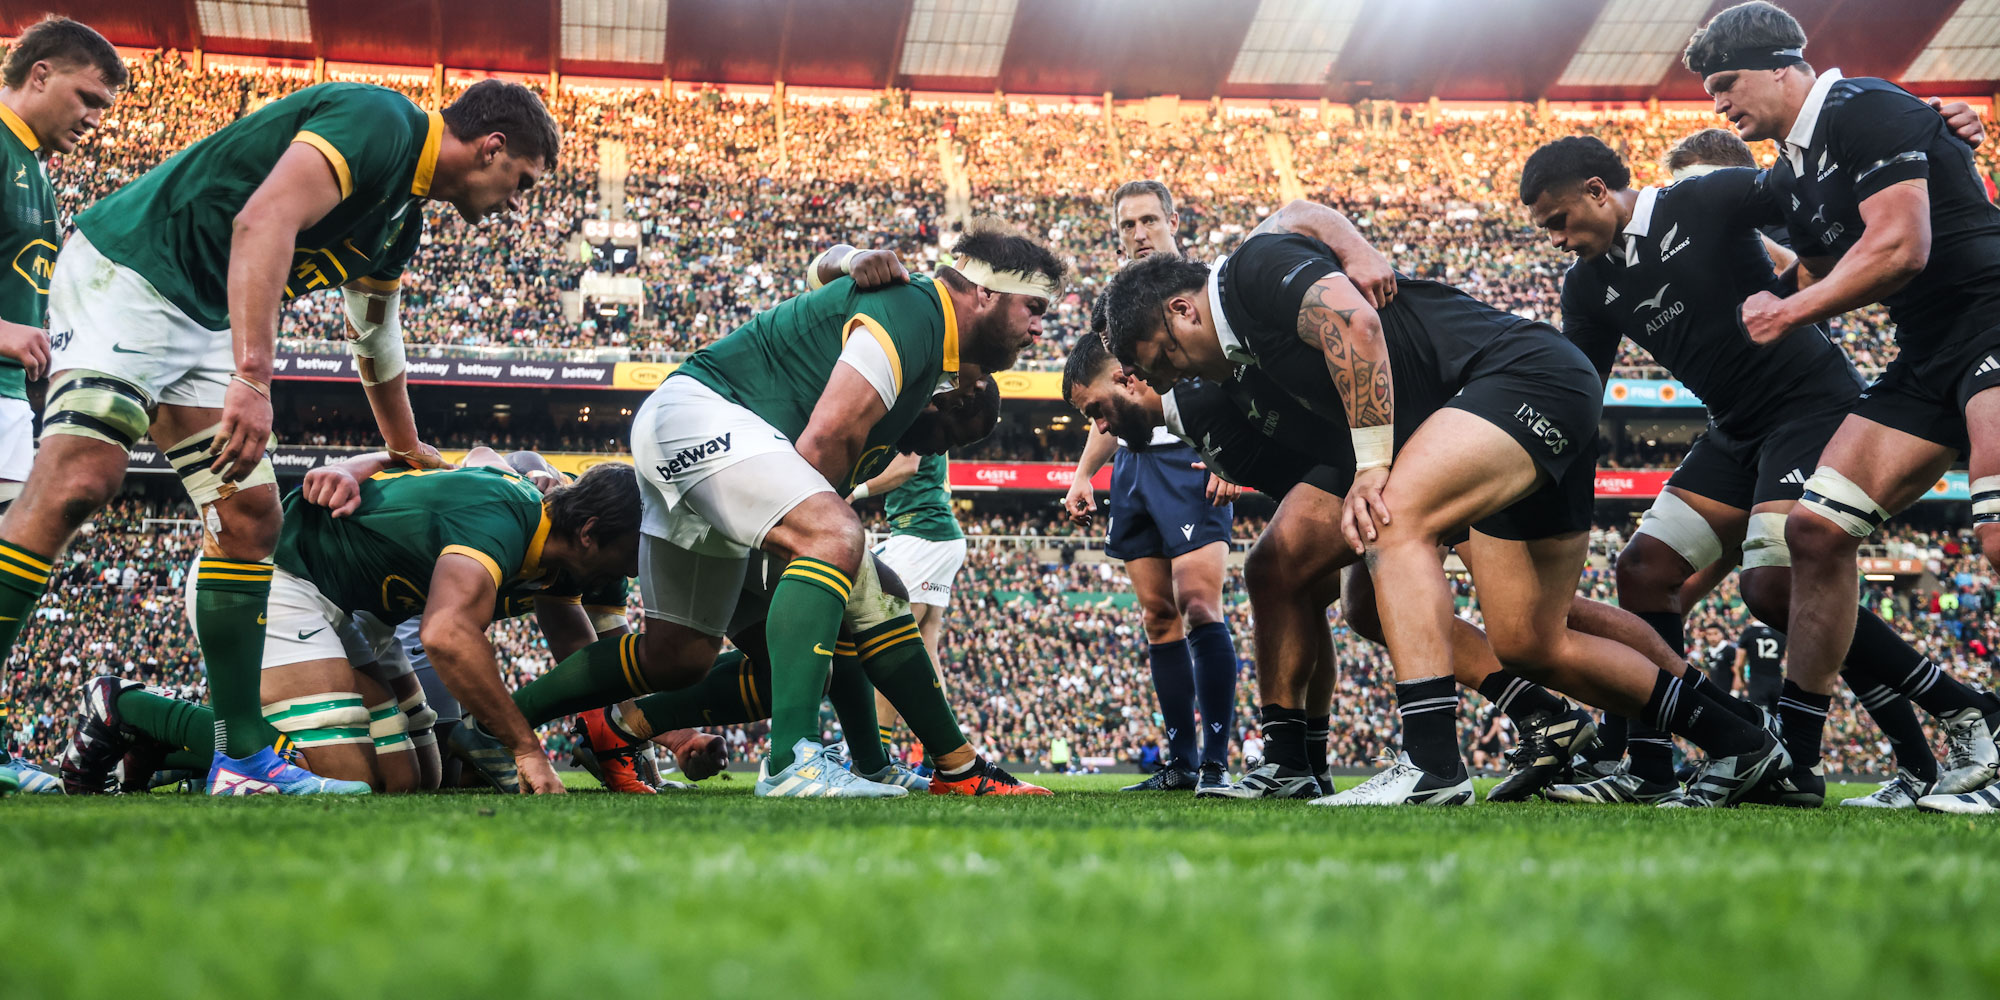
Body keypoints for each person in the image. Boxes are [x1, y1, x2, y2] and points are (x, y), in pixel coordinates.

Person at [1102, 220, 1789, 808]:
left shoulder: (1249, 271)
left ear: (1183, 312)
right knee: (1531, 640)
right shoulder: (1244, 356)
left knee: (1391, 519)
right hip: (1512, 404)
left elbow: (1354, 321)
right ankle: (1741, 740)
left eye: (1163, 359)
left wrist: (1373, 466)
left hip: (1518, 379)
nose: (1172, 378)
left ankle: (1431, 763)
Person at [0, 77, 555, 794]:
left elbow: (375, 337)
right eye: (523, 182)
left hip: (206, 313)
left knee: (250, 518)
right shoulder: (382, 120)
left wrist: (406, 447)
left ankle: (241, 759)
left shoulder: (402, 220)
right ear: (492, 146)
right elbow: (263, 221)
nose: (517, 203)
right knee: (80, 480)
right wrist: (254, 378)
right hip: (135, 269)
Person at [465, 232, 1061, 798]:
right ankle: (799, 763)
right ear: (984, 292)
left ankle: (492, 728)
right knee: (839, 547)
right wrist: (849, 255)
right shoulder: (919, 314)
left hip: (711, 441)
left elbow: (827, 284)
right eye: (1034, 307)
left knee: (679, 655)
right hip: (705, 416)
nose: (1040, 327)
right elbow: (824, 438)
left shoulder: (910, 373)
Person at [1520, 130, 2000, 807]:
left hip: (1811, 408)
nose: (1556, 240)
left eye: (1559, 221)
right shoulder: (1586, 284)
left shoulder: (1702, 199)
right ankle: (1652, 772)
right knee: (1643, 569)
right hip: (1734, 430)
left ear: (1598, 191)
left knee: (1774, 588)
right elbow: (1582, 392)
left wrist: (1926, 132)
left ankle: (1955, 707)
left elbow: (1813, 189)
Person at [1683, 2, 2000, 813]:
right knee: (1815, 534)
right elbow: (1823, 263)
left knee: (1997, 532)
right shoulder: (1792, 169)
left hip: (1992, 318)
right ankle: (1798, 759)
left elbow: (1900, 246)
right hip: (1926, 355)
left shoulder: (1861, 105)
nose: (1719, 102)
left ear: (1782, 66)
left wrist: (1788, 311)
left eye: (1728, 82)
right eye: (1711, 90)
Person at [1063, 329, 1598, 801]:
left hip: (1398, 444)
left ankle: (1292, 760)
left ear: (1130, 374)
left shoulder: (1205, 364)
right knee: (1359, 605)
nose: (1101, 427)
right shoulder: (1180, 395)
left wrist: (1380, 466)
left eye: (1096, 411)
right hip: (1390, 445)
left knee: (1273, 570)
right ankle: (1545, 714)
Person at [59, 451, 641, 795]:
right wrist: (525, 748)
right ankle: (127, 708)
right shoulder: (505, 512)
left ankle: (170, 752)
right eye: (632, 553)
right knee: (345, 778)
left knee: (412, 779)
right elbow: (445, 634)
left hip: (352, 610)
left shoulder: (558, 556)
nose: (636, 570)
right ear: (591, 534)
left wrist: (661, 729)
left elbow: (582, 651)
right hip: (281, 575)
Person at [1062, 181, 1245, 794]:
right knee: (1157, 616)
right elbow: (1110, 403)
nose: (1138, 234)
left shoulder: (1204, 291)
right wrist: (1084, 472)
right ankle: (1181, 763)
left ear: (1173, 222)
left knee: (1198, 604)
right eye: (1127, 225)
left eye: (1148, 220)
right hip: (1134, 466)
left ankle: (1216, 764)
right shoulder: (1110, 310)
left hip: (1191, 460)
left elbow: (1235, 383)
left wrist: (1229, 457)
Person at [0, 17, 123, 519]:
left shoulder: (32, 160)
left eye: (103, 107)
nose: (94, 119)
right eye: (87, 98)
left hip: (9, 393)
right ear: (41, 74)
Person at [847, 450, 965, 766]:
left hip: (921, 536)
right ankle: (941, 754)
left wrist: (856, 491)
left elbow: (908, 465)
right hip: (938, 535)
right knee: (926, 649)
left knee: (888, 650)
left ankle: (875, 756)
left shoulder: (913, 418)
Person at [1737, 621, 1786, 714]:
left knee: (1759, 717)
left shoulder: (1749, 632)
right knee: (1778, 717)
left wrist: (1743, 681)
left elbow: (1739, 664)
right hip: (1777, 683)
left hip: (1757, 683)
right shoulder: (1780, 633)